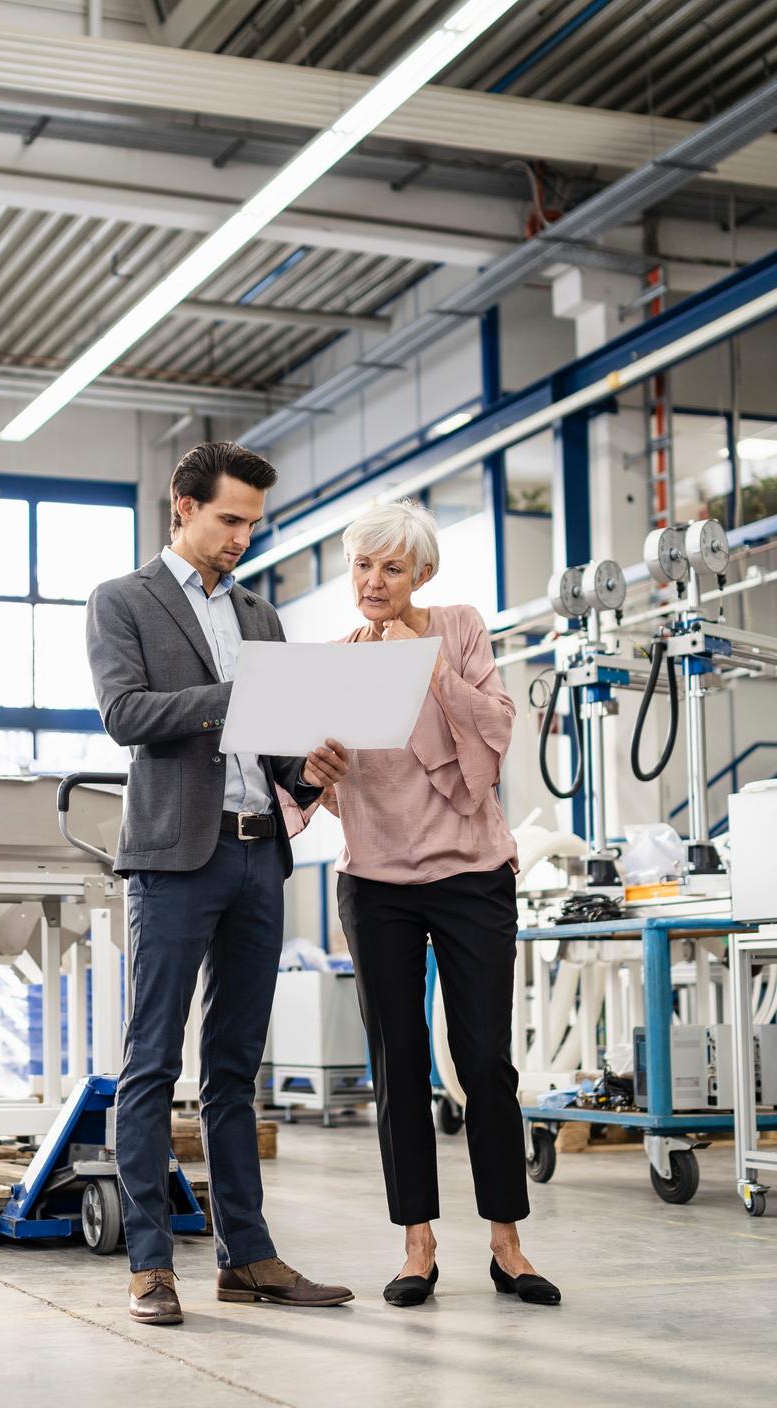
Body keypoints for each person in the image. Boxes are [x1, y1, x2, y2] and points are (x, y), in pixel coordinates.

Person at [86, 441, 353, 1327]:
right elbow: (126, 715)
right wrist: (225, 695)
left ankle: (249, 1257)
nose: (242, 538)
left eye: (252, 524)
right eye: (230, 519)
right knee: (152, 1064)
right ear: (183, 508)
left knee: (236, 1067)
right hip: (172, 859)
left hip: (256, 854)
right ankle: (151, 1265)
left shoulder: (260, 617)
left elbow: (275, 750)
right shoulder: (122, 602)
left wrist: (312, 768)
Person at [304, 498, 560, 1308]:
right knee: (399, 1063)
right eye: (361, 565)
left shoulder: (458, 626)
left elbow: (497, 727)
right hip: (375, 884)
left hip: (472, 874)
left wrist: (428, 666)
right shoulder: (338, 662)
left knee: (484, 1058)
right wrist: (313, 765)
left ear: (421, 574)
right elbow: (307, 787)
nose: (373, 582)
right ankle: (417, 1246)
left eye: (390, 567)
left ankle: (507, 1244)